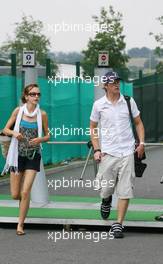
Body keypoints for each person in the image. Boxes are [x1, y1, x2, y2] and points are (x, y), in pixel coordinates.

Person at [90, 71, 145, 238]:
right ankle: (106, 200)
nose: (116, 84)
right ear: (105, 86)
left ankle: (118, 224)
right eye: (113, 82)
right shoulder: (99, 105)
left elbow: (138, 123)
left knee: (125, 190)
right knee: (106, 189)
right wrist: (97, 149)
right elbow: (92, 128)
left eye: (118, 81)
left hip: (128, 152)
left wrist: (141, 143)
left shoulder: (128, 101)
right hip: (108, 153)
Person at [2, 84, 50, 235]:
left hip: (33, 155)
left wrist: (40, 139)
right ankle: (24, 201)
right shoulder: (18, 111)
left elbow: (48, 135)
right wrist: (14, 133)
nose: (36, 97)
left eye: (38, 94)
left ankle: (20, 225)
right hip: (17, 155)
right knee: (15, 194)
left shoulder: (42, 114)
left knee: (26, 190)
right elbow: (5, 129)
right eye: (33, 94)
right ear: (26, 96)